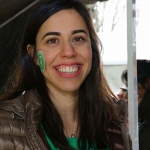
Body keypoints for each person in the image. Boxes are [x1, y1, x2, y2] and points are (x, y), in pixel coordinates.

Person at [0, 0, 132, 149]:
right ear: (34, 55)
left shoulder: (116, 123)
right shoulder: (4, 125)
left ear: (92, 49)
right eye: (53, 40)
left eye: (78, 38)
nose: (69, 52)